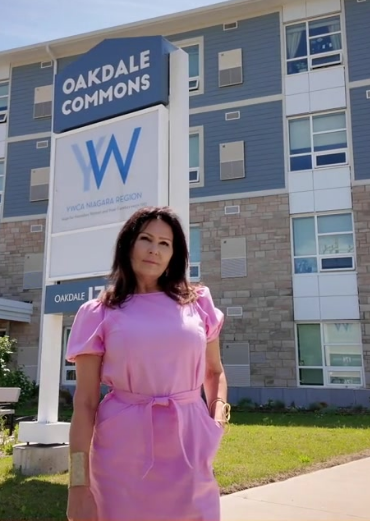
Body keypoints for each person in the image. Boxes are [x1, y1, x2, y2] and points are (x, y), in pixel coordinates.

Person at [65, 206, 230, 521]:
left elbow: (214, 371)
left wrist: (217, 420)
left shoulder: (199, 304)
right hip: (121, 453)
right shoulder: (98, 313)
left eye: (165, 243)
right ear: (128, 244)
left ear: (174, 254)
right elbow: (84, 404)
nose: (154, 249)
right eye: (146, 239)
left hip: (190, 446)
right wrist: (77, 485)